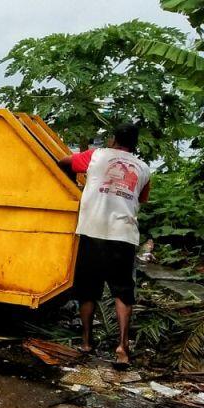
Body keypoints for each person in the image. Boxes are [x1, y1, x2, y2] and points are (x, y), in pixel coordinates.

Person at [58, 123, 151, 366]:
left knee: (88, 291)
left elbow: (64, 161)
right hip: (124, 235)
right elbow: (141, 198)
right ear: (134, 143)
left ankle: (87, 342)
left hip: (92, 231)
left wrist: (76, 187)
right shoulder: (144, 169)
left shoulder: (95, 156)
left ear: (112, 139)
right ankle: (122, 348)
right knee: (123, 293)